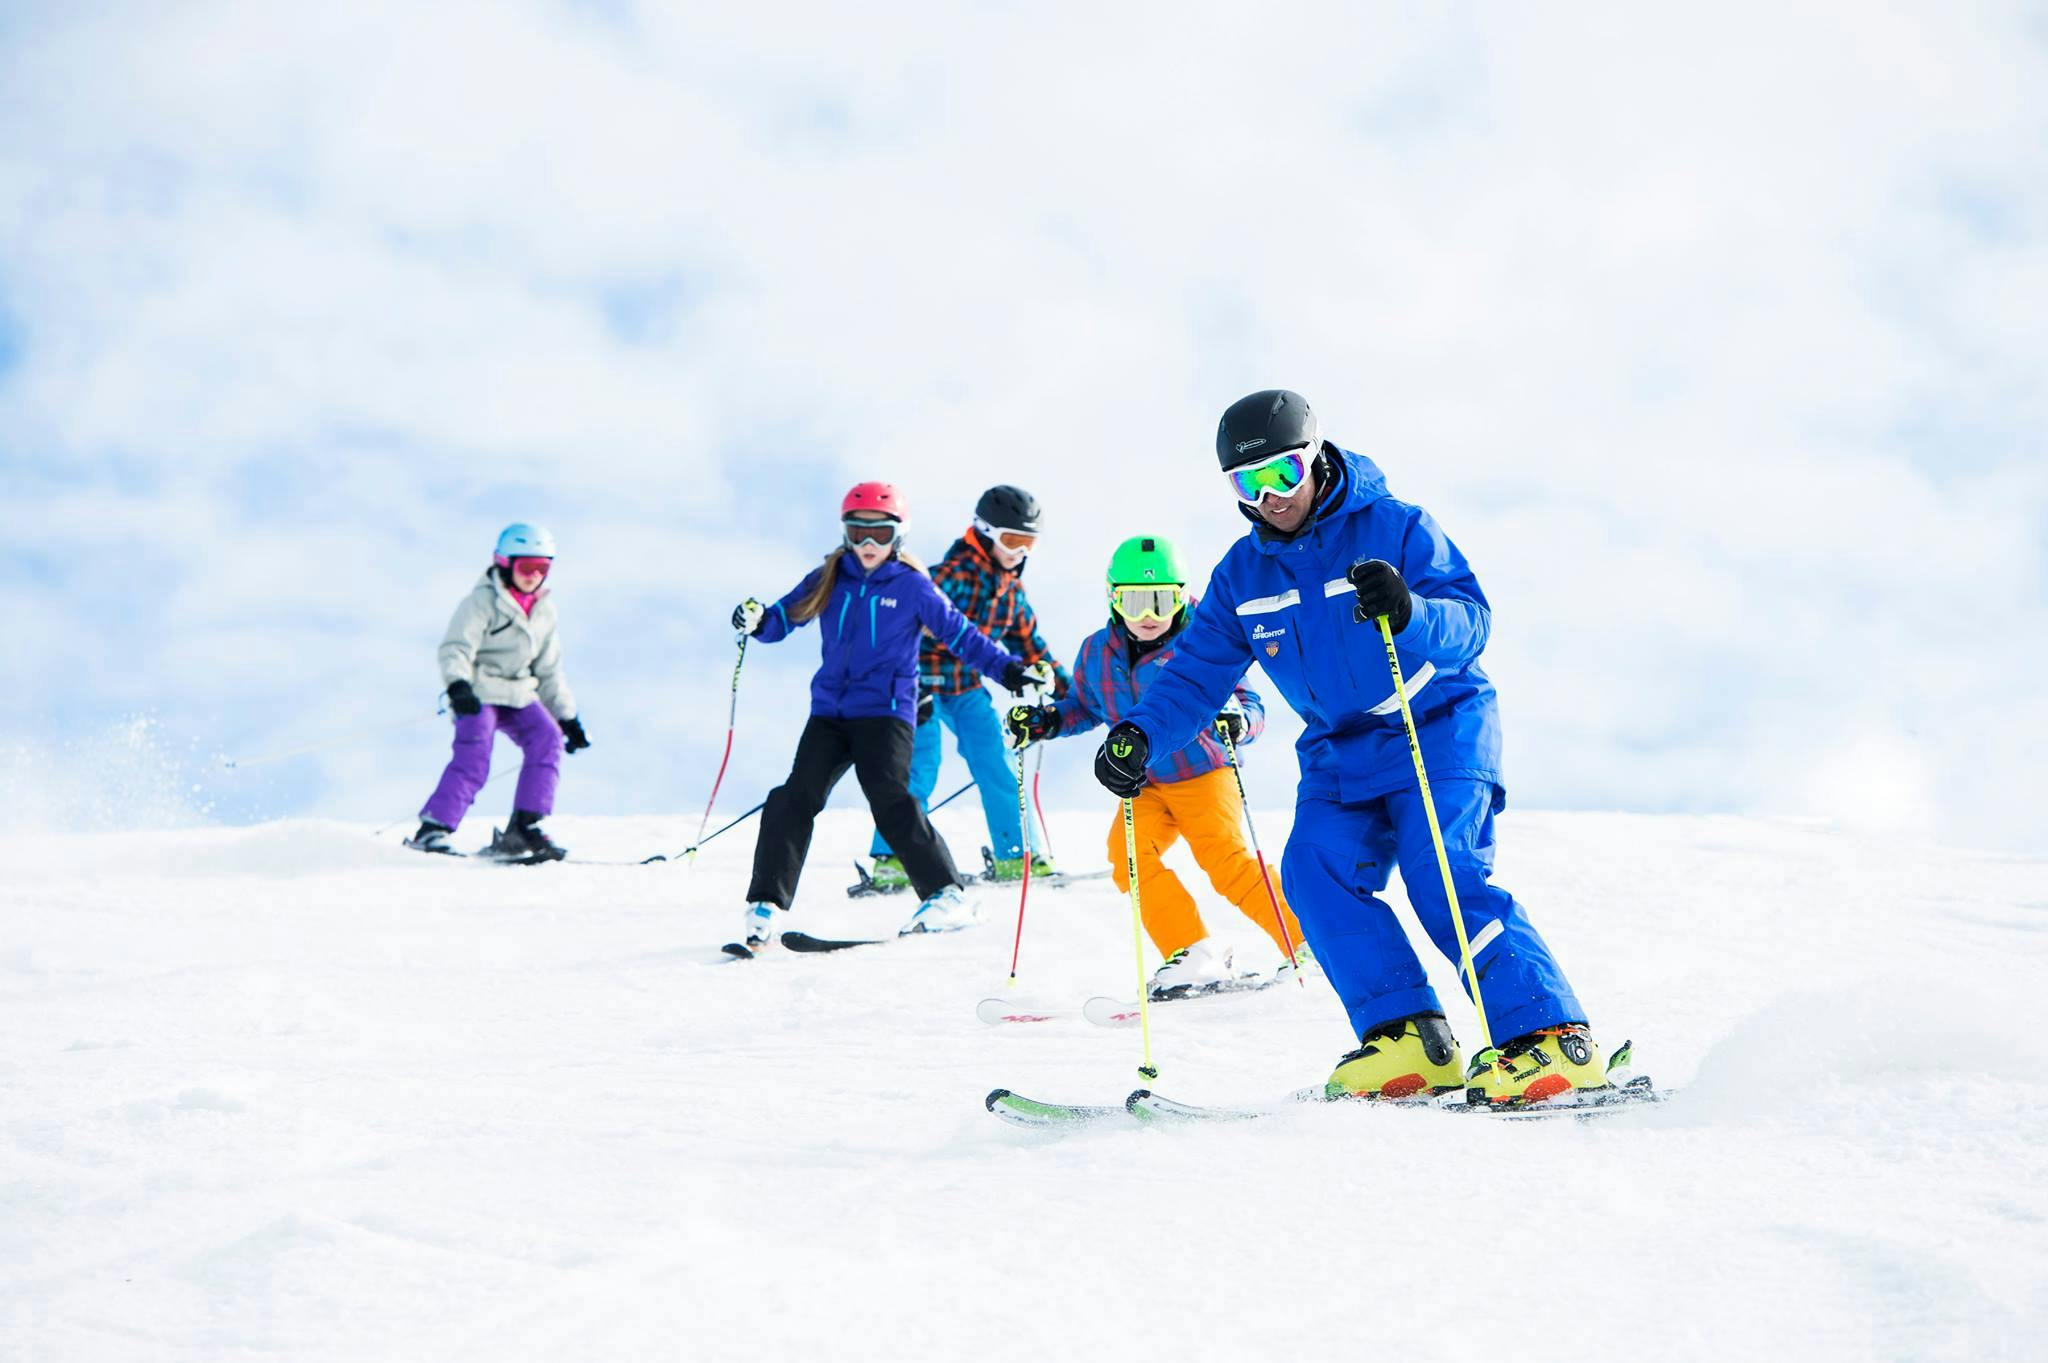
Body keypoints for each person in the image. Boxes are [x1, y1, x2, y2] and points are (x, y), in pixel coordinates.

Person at [1090, 390, 1608, 1106]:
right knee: (1311, 871)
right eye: (1250, 482)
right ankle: (1409, 1038)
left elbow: (1472, 622)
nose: (1271, 496)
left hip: (1435, 723)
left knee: (1442, 873)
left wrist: (1410, 609)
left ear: (1317, 457)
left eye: (1284, 472)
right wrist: (1140, 735)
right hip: (1340, 747)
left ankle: (1551, 1039)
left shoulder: (1395, 527)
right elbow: (1197, 675)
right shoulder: (1242, 576)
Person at [731, 482, 1050, 951]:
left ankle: (946, 894)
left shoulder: (912, 585)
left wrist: (1011, 673)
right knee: (794, 797)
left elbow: (963, 637)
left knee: (891, 798)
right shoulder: (829, 576)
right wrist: (757, 621)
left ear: (897, 536)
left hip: (886, 713)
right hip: (830, 713)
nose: (867, 546)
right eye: (857, 533)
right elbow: (783, 618)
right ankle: (765, 905)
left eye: (879, 535)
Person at [1005, 533, 1307, 998]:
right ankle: (1192, 952)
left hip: (1203, 774)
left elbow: (1250, 703)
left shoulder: (1204, 643)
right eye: (1135, 601)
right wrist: (1046, 720)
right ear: (1113, 598)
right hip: (1144, 783)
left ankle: (1307, 941)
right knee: (1127, 858)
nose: (1148, 616)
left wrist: (1240, 720)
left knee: (1227, 864)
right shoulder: (1095, 652)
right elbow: (1084, 707)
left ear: (1183, 598)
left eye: (1162, 601)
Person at [866, 485, 1070, 889]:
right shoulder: (950, 576)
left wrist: (1073, 693)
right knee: (919, 765)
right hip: (919, 685)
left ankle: (1016, 855)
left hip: (965, 688)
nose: (1020, 554)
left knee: (997, 760)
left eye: (1029, 544)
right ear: (984, 532)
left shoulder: (1012, 592)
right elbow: (900, 628)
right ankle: (892, 859)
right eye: (1012, 541)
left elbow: (1031, 646)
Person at [408, 523, 590, 863]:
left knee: (548, 738)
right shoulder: (481, 601)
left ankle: (524, 826)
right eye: (526, 567)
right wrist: (458, 685)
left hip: (519, 691)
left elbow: (549, 670)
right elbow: (456, 648)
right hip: (479, 689)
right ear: (504, 563)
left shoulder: (544, 611)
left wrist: (568, 718)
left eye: (543, 568)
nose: (534, 575)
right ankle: (433, 829)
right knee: (475, 755)